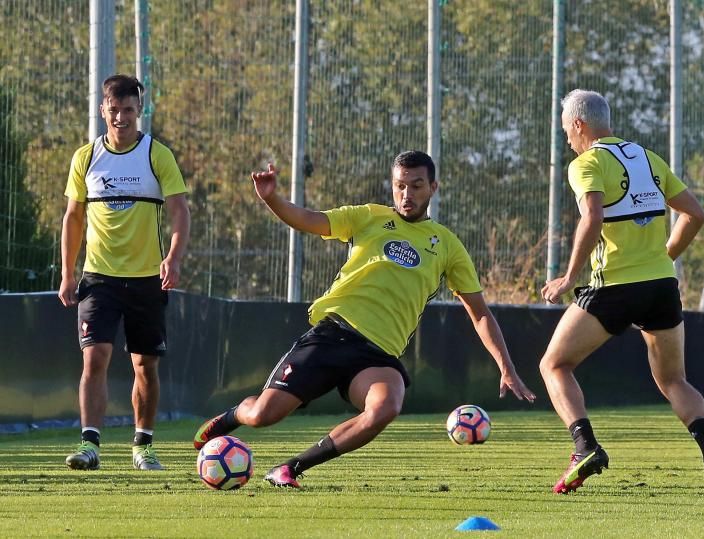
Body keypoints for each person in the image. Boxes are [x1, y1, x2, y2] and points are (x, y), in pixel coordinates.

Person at [193, 150, 536, 488]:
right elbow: (310, 220)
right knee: (262, 416)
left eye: (417, 186)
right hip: (331, 336)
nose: (407, 194)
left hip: (377, 357)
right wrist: (272, 199)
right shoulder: (368, 217)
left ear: (434, 187)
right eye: (400, 185)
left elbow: (480, 314)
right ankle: (232, 416)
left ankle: (290, 468)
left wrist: (505, 365)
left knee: (386, 406)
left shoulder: (447, 245)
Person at [539, 89, 704, 495]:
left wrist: (569, 277)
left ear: (578, 125)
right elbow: (694, 214)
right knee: (674, 380)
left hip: (613, 287)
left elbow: (591, 218)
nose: (568, 141)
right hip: (661, 286)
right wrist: (665, 257)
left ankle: (585, 447)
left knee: (553, 365)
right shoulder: (647, 157)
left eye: (566, 133)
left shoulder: (586, 163)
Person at [59, 74, 191, 471]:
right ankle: (90, 445)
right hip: (98, 277)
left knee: (143, 365)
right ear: (103, 111)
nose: (120, 117)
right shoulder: (86, 158)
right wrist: (67, 273)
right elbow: (73, 216)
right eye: (113, 110)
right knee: (95, 357)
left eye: (128, 110)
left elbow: (180, 210)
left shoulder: (157, 155)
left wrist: (174, 257)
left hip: (148, 279)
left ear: (140, 111)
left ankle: (143, 446)